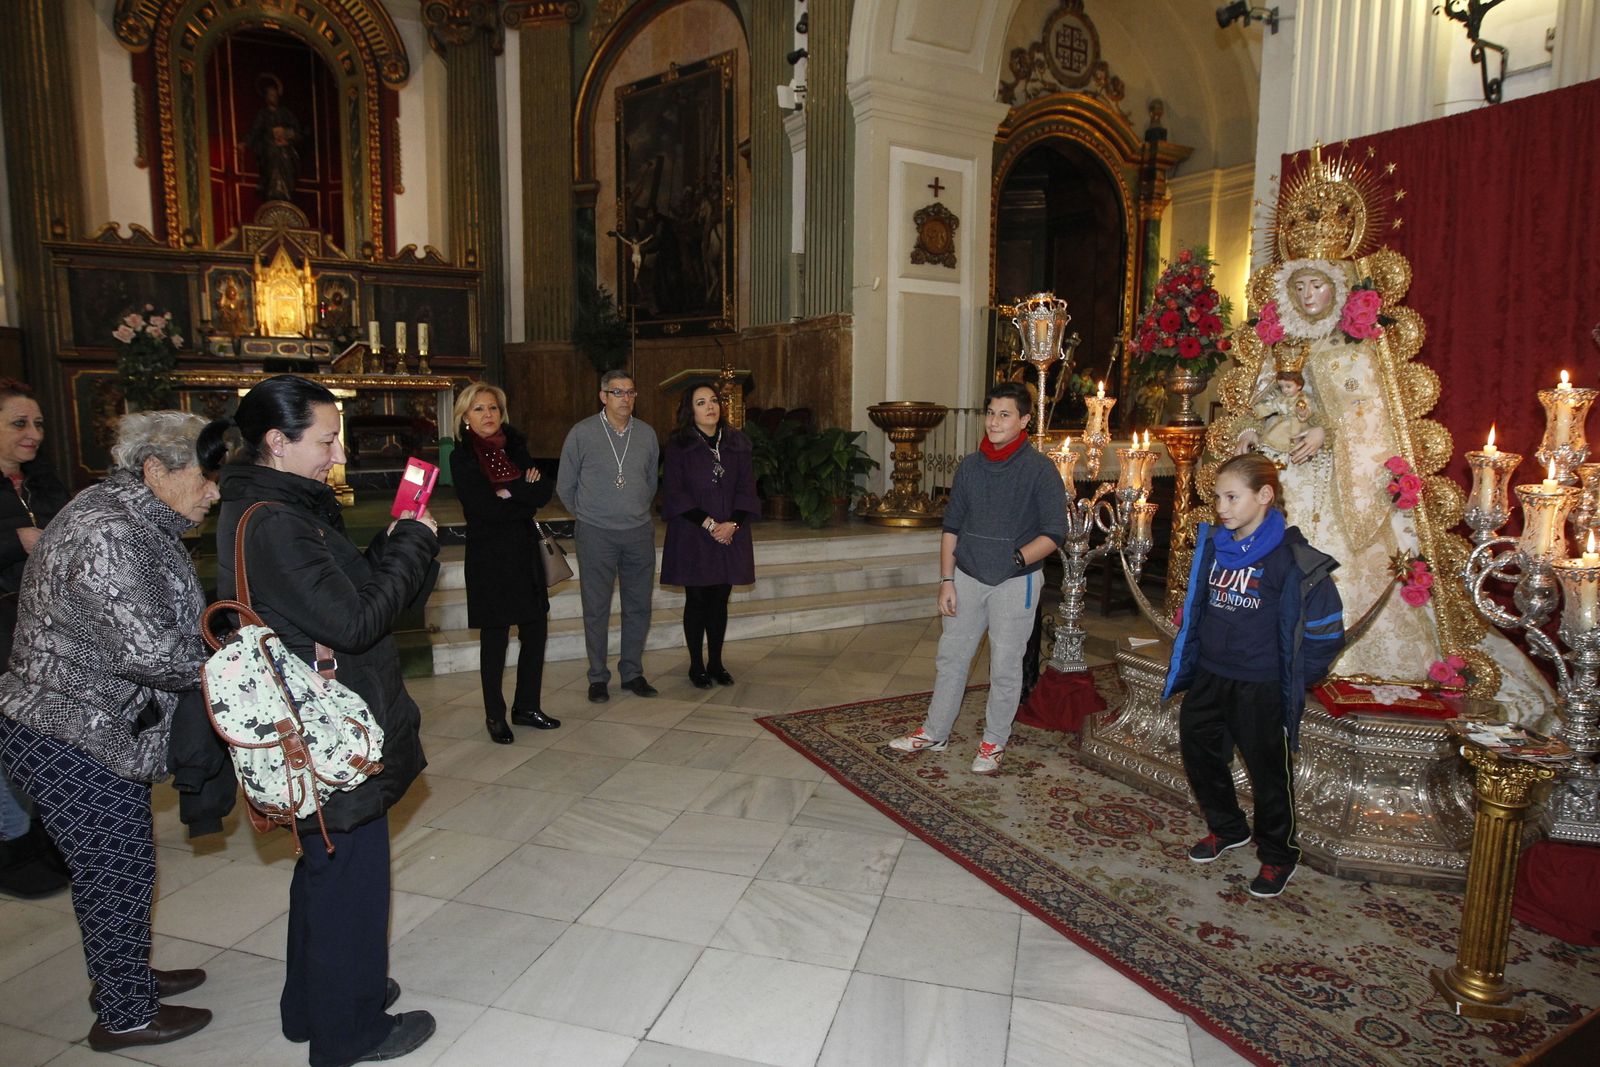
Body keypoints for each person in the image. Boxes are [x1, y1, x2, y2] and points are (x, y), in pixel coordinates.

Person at [215, 375, 439, 1067]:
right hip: (327, 735)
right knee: (351, 881)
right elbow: (356, 622)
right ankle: (350, 1030)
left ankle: (314, 1004)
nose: (338, 454)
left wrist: (393, 542)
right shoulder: (277, 522)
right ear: (277, 441)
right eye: (326, 439)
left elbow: (337, 593)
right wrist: (415, 546)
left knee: (326, 867)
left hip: (313, 726)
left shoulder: (275, 504)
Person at [0, 410, 225, 1051]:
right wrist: (239, 664)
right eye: (204, 477)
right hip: (67, 730)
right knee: (114, 870)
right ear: (155, 470)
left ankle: (123, 977)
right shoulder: (110, 532)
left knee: (120, 866)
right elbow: (152, 653)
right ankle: (125, 1015)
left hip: (89, 727)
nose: (214, 492)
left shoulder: (133, 517)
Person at [1163, 453, 1346, 898]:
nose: (1221, 508)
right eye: (1217, 498)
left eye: (1232, 497)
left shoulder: (1293, 559)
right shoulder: (1214, 547)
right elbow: (1202, 604)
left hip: (1260, 684)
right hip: (1211, 674)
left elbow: (1326, 631)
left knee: (1268, 774)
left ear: (1264, 496)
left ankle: (1279, 854)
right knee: (1200, 753)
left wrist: (1294, 676)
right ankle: (1228, 827)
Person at [888, 381, 1068, 775]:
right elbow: (952, 525)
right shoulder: (970, 466)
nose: (994, 422)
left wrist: (1017, 558)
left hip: (1016, 582)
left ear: (1024, 420)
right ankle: (935, 731)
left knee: (1005, 665)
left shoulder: (1040, 470)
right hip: (967, 576)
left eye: (1005, 414)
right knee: (951, 657)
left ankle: (994, 741)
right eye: (990, 413)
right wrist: (946, 580)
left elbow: (1055, 532)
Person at [449, 381, 559, 743]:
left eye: (493, 408)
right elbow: (482, 508)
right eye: (479, 409)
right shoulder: (461, 457)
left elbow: (541, 492)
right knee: (495, 639)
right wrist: (520, 494)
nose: (488, 415)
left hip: (524, 553)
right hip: (489, 558)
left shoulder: (516, 446)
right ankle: (495, 716)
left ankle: (527, 706)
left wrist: (508, 492)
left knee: (535, 631)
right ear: (465, 417)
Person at [0, 379, 71, 898]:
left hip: (43, 633)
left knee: (45, 739)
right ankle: (13, 847)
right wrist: (12, 541)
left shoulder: (44, 482)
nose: (34, 433)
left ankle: (49, 842)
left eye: (39, 423)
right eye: (19, 423)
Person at [557, 369, 661, 703]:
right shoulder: (582, 433)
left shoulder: (646, 434)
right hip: (595, 532)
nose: (625, 399)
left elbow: (650, 482)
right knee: (596, 608)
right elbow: (565, 485)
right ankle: (598, 677)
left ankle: (632, 672)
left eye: (631, 392)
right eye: (618, 392)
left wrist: (633, 509)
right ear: (603, 396)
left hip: (638, 532)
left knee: (638, 605)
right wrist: (589, 514)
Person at [660, 380, 758, 688]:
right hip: (693, 533)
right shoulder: (679, 445)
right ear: (690, 410)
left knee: (720, 599)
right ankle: (696, 665)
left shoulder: (737, 442)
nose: (710, 407)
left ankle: (716, 662)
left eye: (713, 400)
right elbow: (674, 493)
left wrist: (732, 525)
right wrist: (710, 524)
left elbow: (747, 489)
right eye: (701, 402)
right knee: (697, 599)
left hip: (730, 534)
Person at [1250, 367, 1316, 463]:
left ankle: (1283, 460)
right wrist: (1257, 411)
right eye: (1282, 387)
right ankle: (1269, 456)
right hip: (1280, 422)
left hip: (1297, 426)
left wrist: (1302, 412)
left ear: (1299, 386)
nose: (1285, 390)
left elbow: (1309, 410)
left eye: (1288, 386)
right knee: (1272, 435)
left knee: (1289, 442)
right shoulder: (1281, 399)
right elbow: (1272, 406)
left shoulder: (1303, 398)